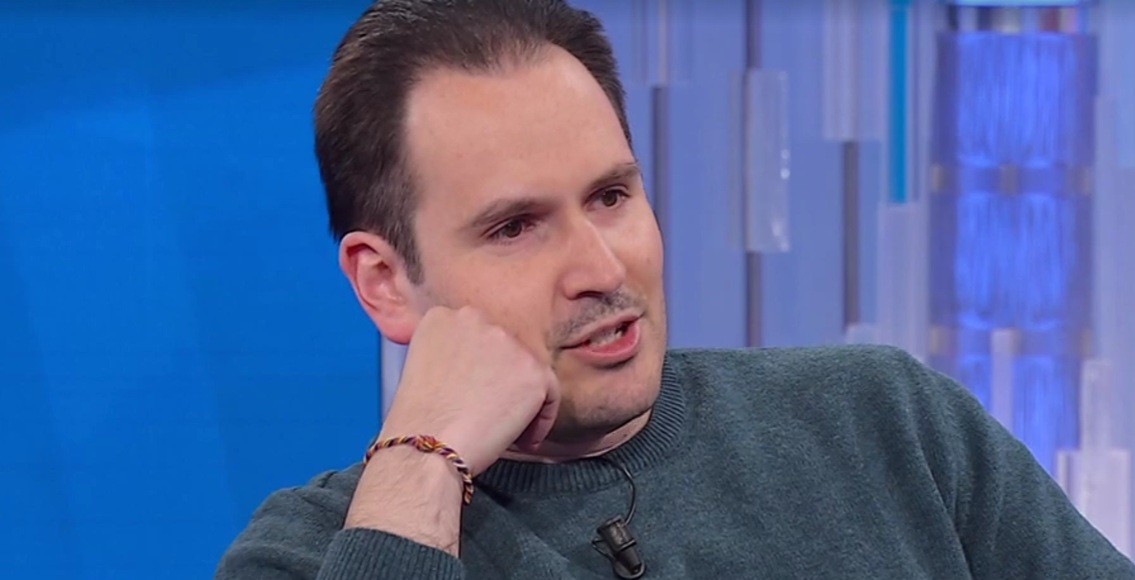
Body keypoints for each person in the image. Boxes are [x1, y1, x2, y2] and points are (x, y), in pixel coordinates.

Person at [215, 0, 1135, 578]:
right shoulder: (315, 552)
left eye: (611, 197)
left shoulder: (886, 421)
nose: (601, 270)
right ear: (385, 283)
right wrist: (419, 466)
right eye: (514, 227)